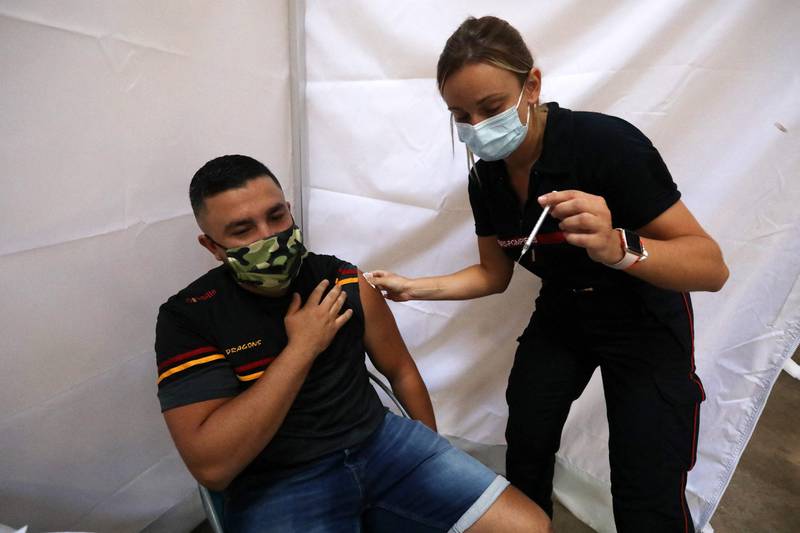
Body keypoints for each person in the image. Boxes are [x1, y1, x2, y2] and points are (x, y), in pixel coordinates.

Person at [367, 16, 729, 533]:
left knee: (645, 479)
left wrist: (618, 246)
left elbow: (711, 267)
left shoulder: (606, 144)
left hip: (642, 319)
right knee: (528, 438)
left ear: (531, 85)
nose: (477, 127)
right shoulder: (485, 176)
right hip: (564, 312)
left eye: (491, 108)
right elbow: (494, 275)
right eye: (460, 115)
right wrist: (412, 286)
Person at [154, 154, 551, 533]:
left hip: (382, 443)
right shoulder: (189, 317)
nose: (269, 237)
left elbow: (400, 370)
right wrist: (302, 348)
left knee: (533, 527)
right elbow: (212, 467)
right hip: (278, 480)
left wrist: (430, 448)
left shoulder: (342, 278)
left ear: (290, 210)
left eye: (277, 216)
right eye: (243, 230)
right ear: (212, 247)